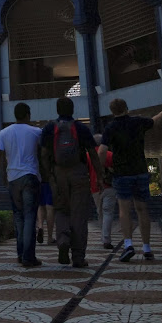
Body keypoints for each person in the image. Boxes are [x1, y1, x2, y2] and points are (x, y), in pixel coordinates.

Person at [99, 98, 162, 262]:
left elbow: (101, 151)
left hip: (122, 173)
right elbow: (154, 121)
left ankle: (128, 245)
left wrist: (102, 170)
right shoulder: (138, 122)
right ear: (126, 108)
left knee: (124, 210)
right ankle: (147, 248)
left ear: (112, 111)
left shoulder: (110, 128)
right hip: (140, 171)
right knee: (142, 209)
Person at [41, 96, 103, 268]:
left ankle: (62, 240)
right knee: (79, 214)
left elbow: (44, 154)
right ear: (73, 110)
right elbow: (93, 153)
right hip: (79, 173)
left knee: (61, 209)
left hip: (58, 173)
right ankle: (78, 257)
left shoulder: (49, 128)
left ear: (57, 110)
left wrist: (49, 175)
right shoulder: (80, 127)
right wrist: (99, 176)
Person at [0, 102, 42, 267]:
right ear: (28, 115)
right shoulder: (36, 132)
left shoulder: (4, 133)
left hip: (13, 178)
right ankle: (28, 256)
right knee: (30, 216)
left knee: (18, 216)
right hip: (30, 176)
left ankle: (20, 253)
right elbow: (44, 153)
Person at [88, 133, 116, 249]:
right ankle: (106, 238)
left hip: (95, 188)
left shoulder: (88, 156)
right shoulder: (110, 155)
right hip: (109, 186)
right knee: (108, 212)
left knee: (100, 213)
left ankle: (104, 236)